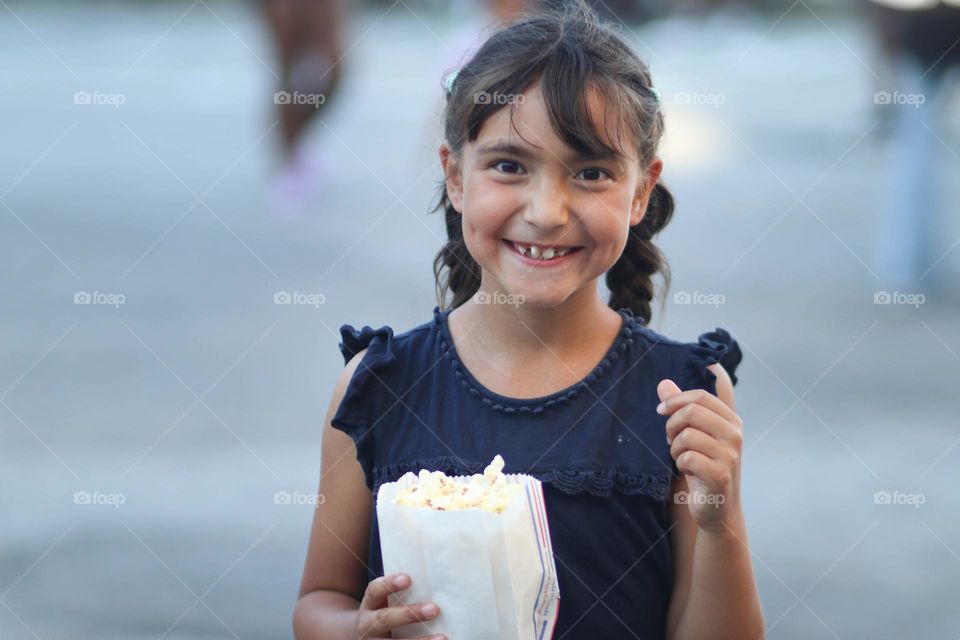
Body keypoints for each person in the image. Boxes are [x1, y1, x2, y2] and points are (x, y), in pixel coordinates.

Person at [293, 3, 765, 638]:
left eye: (592, 172)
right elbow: (318, 600)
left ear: (641, 191)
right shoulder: (377, 388)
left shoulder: (682, 398)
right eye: (510, 166)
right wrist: (356, 628)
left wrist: (719, 518)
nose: (546, 211)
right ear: (455, 175)